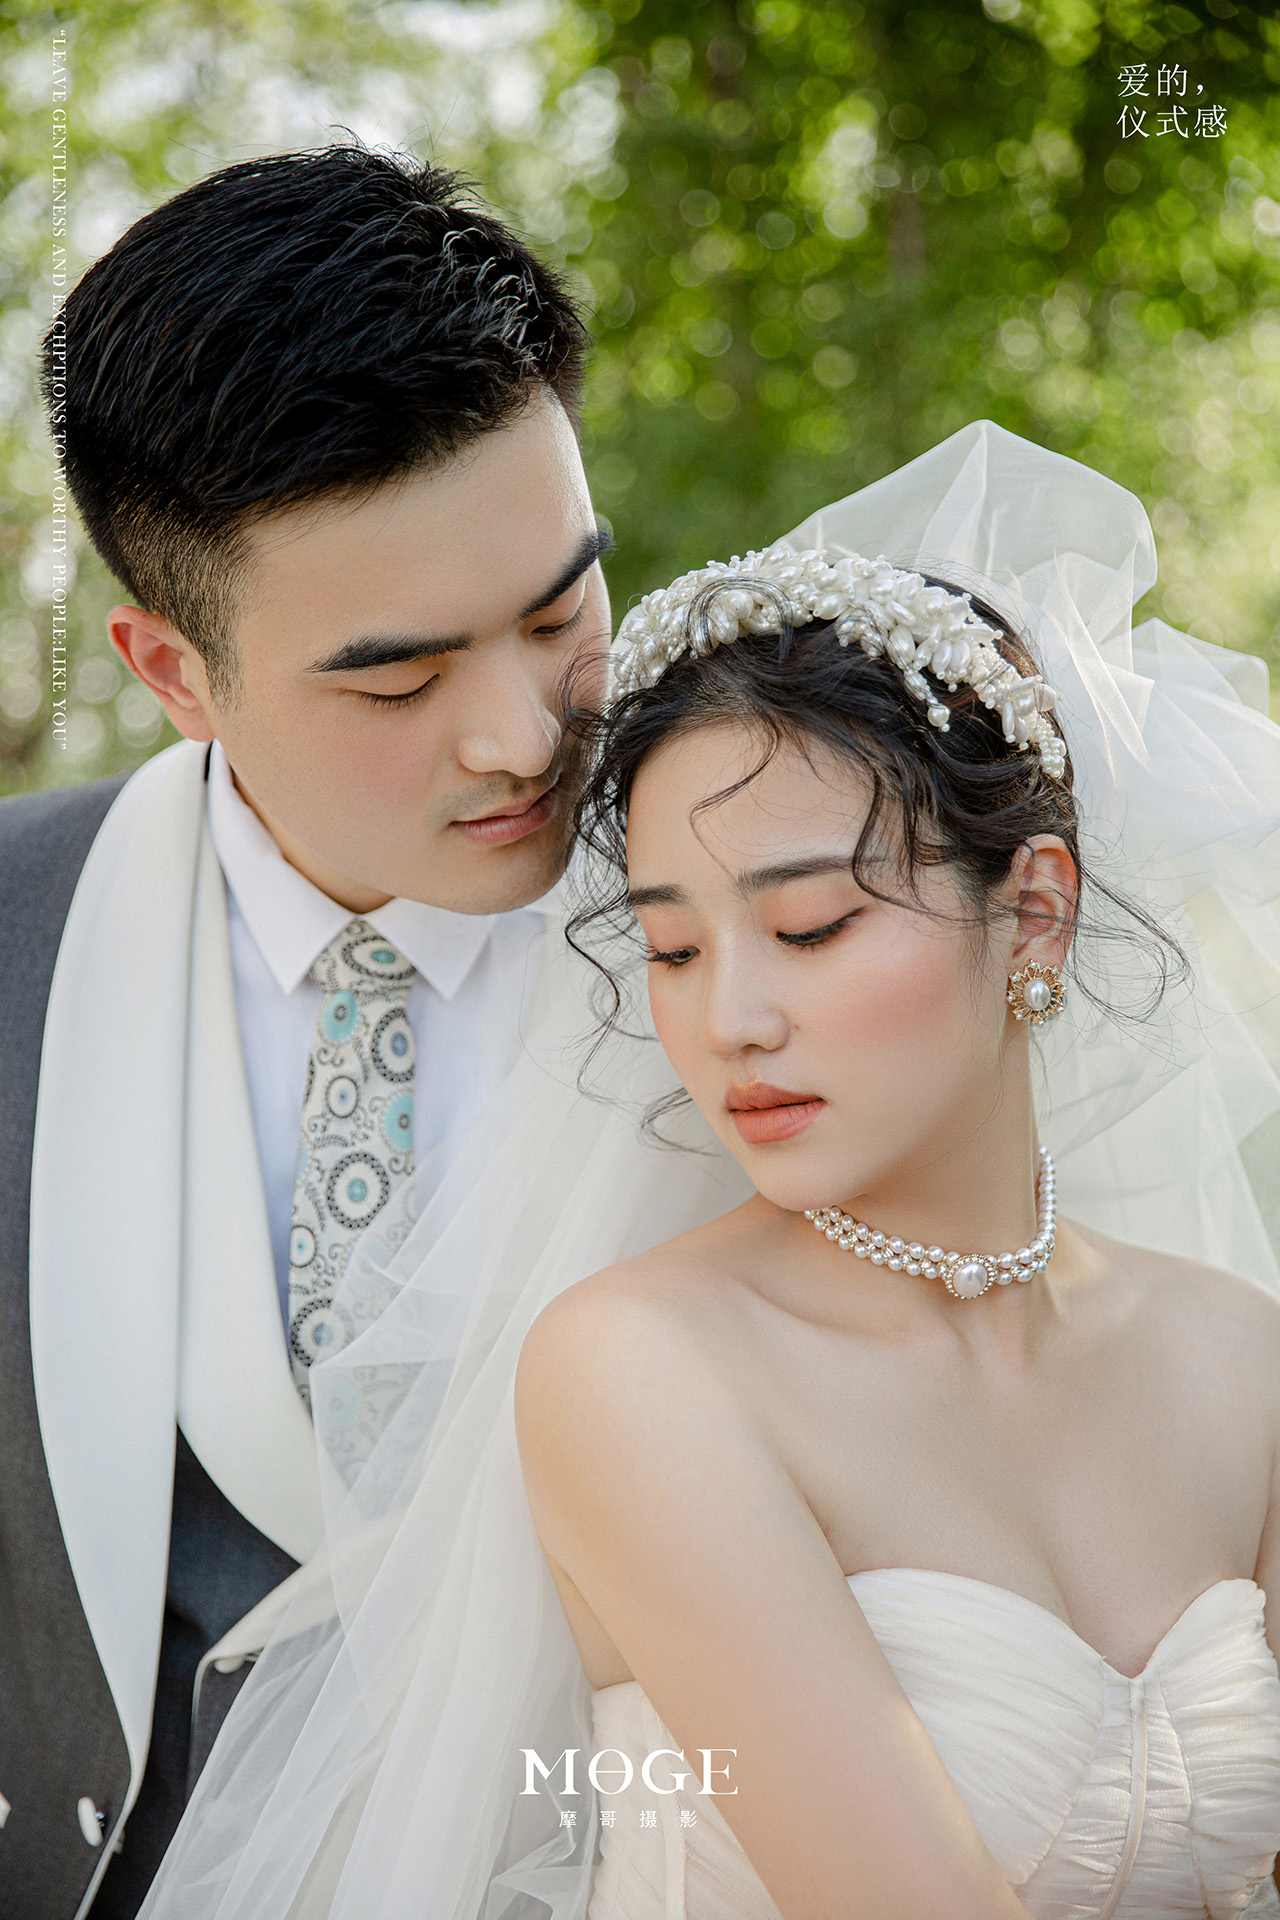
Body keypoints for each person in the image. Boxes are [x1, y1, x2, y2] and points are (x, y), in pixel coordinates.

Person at [133, 420, 1280, 1920]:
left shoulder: (1241, 1354)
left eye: (809, 928)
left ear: (1036, 913)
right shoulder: (639, 1370)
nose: (728, 1019)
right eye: (671, 948)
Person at [2, 143, 742, 1920]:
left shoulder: (787, 916)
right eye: (400, 678)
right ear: (171, 670)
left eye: (562, 611)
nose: (522, 738)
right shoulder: (15, 927)